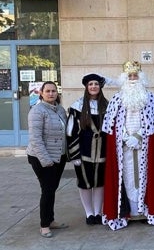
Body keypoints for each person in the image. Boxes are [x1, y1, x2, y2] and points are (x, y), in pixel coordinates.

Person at [101, 61, 154, 230]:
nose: (133, 79)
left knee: (144, 179)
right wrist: (124, 137)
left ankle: (144, 211)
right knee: (127, 179)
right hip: (123, 148)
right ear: (124, 78)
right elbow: (111, 123)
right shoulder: (117, 98)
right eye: (129, 76)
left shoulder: (150, 97)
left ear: (141, 77)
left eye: (135, 75)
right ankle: (128, 212)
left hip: (144, 146)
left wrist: (138, 136)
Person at [26, 81, 69, 238]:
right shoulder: (37, 112)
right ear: (41, 93)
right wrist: (46, 160)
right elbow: (36, 139)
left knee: (52, 189)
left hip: (59, 156)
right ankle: (44, 225)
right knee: (47, 190)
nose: (51, 93)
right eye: (48, 91)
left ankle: (50, 220)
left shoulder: (60, 110)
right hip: (41, 157)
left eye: (54, 91)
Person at [66, 73, 109, 225]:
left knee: (99, 183)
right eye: (90, 84)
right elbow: (70, 133)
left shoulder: (107, 106)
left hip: (103, 153)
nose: (93, 87)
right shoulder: (77, 107)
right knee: (85, 183)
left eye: (96, 84)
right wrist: (74, 155)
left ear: (100, 87)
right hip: (83, 153)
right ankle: (89, 213)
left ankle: (98, 212)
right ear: (86, 87)